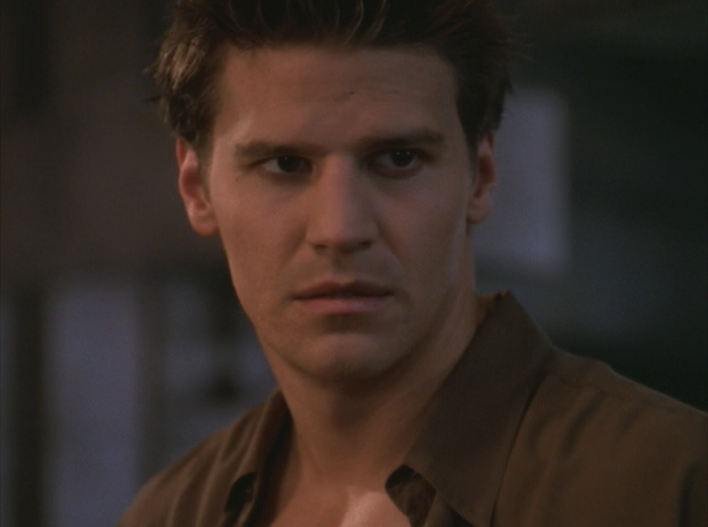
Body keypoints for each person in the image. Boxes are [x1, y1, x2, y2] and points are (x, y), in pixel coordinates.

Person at [119, 1, 707, 526]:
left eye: (398, 158)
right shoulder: (172, 514)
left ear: (481, 177)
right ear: (196, 189)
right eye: (284, 165)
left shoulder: (668, 485)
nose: (340, 230)